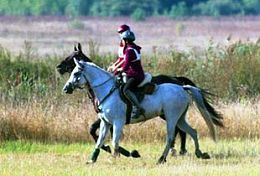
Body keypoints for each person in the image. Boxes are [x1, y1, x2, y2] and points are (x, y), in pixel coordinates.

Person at [108, 25, 145, 119]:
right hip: (134, 73)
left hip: (135, 75)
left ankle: (138, 108)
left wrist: (117, 69)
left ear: (125, 40)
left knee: (125, 90)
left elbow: (126, 65)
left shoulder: (129, 51)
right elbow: (124, 61)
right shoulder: (133, 48)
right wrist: (115, 67)